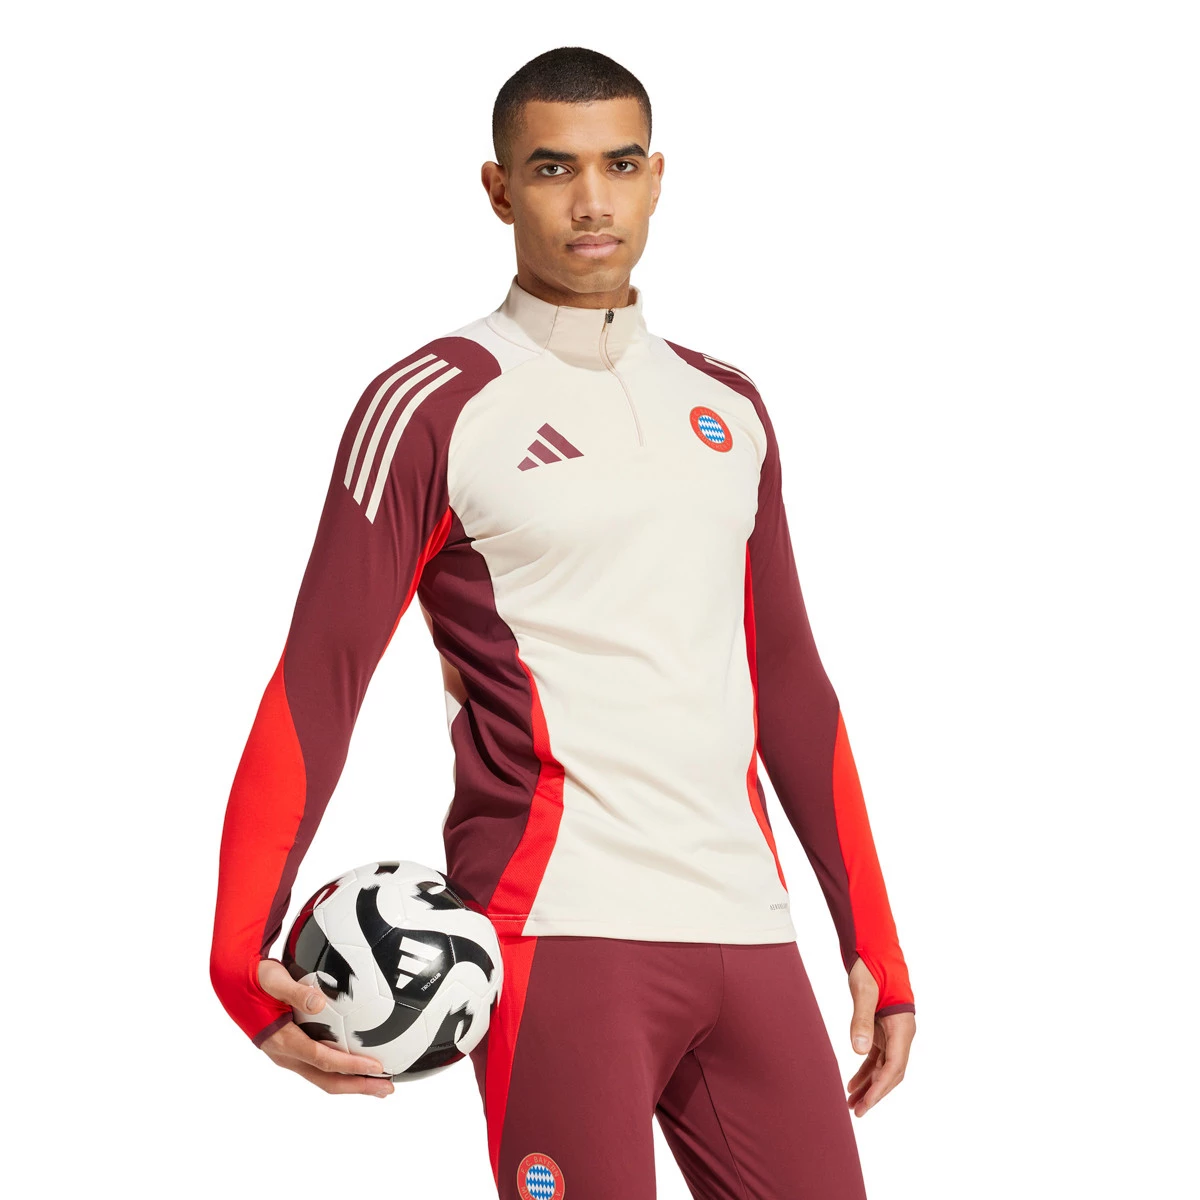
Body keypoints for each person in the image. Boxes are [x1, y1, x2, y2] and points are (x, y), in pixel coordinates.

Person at [210, 45, 916, 1200]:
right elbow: (318, 679)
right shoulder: (433, 402)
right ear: (499, 189)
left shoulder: (728, 406)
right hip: (558, 929)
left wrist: (874, 945)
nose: (593, 200)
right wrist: (241, 958)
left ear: (657, 177)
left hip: (747, 924)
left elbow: (789, 683)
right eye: (553, 169)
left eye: (619, 165)